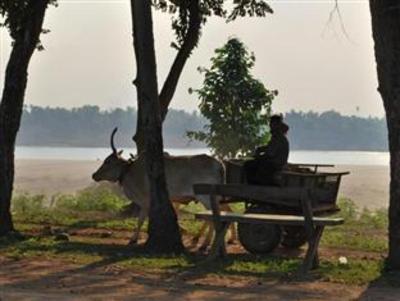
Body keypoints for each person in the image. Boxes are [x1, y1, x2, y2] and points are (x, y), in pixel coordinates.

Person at [244, 114, 289, 185]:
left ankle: (256, 185)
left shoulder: (279, 138)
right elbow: (269, 147)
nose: (270, 125)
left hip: (276, 164)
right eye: (270, 123)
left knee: (249, 165)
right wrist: (261, 149)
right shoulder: (276, 137)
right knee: (254, 163)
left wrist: (259, 157)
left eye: (272, 123)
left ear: (276, 125)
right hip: (275, 163)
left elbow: (270, 154)